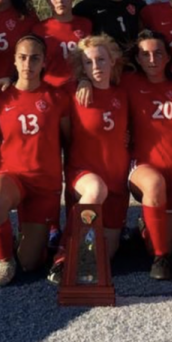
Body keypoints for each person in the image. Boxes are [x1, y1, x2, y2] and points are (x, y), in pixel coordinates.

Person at [0, 34, 70, 287]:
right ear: (14, 60)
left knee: (30, 263)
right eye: (22, 57)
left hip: (45, 182)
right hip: (13, 175)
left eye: (34, 58)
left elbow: (68, 139)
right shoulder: (0, 95)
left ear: (44, 62)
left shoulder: (57, 97)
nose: (27, 64)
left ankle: (27, 241)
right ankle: (3, 260)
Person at [49, 34, 130, 283]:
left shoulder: (124, 93)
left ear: (113, 60)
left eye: (101, 60)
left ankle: (84, 249)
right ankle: (66, 255)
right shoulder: (70, 92)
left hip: (116, 180)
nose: (96, 66)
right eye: (88, 62)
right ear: (80, 67)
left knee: (107, 252)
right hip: (84, 172)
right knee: (95, 190)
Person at [124, 29, 172, 280]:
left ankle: (147, 228)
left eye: (158, 53)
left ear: (168, 57)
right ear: (137, 59)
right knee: (154, 183)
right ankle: (160, 259)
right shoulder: (128, 83)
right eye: (145, 54)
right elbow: (97, 79)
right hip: (143, 167)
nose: (152, 59)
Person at [31, 0, 93, 90]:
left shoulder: (86, 25)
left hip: (81, 90)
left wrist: (86, 80)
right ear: (48, 0)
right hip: (50, 91)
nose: (60, 0)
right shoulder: (39, 29)